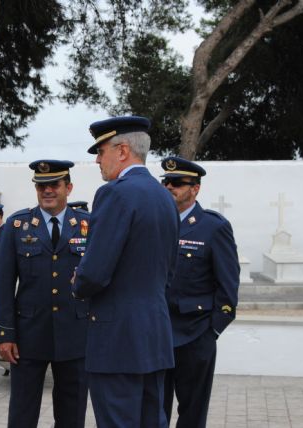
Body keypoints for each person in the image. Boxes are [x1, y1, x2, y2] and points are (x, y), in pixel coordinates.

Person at [72, 116, 179, 427]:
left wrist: (78, 281)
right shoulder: (165, 197)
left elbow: (95, 272)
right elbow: (169, 270)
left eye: (101, 150)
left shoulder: (115, 193)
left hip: (116, 339)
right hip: (154, 335)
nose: (97, 159)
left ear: (121, 151)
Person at [0, 160, 90, 428]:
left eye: (54, 185)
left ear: (68, 188)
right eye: (41, 186)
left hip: (75, 335)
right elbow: (2, 285)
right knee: (23, 413)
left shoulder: (88, 225)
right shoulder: (17, 226)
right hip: (28, 336)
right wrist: (5, 334)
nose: (47, 191)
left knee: (72, 414)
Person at [160, 156, 240, 428]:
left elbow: (228, 286)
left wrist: (212, 331)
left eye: (177, 183)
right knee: (152, 411)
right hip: (156, 333)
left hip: (194, 335)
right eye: (166, 182)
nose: (169, 187)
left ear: (195, 189)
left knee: (192, 414)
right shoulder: (154, 222)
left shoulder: (213, 227)